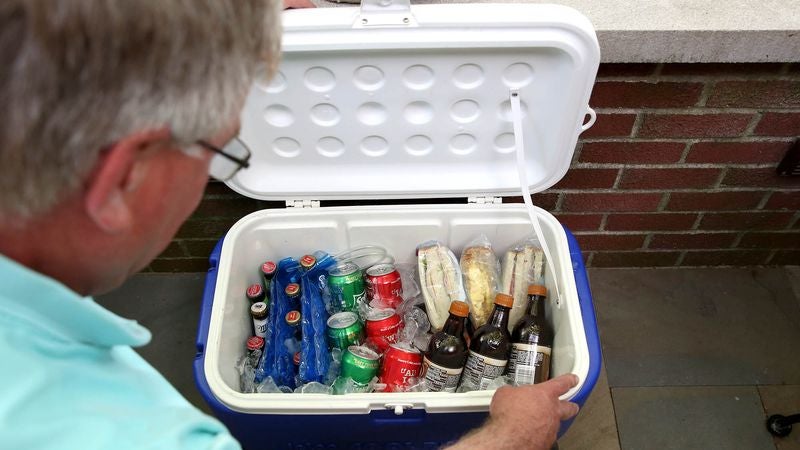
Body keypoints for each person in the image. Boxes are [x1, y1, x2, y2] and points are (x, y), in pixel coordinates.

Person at [0, 1, 579, 449]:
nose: (213, 172)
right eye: (220, 152)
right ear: (122, 179)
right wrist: (508, 439)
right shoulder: (132, 431)